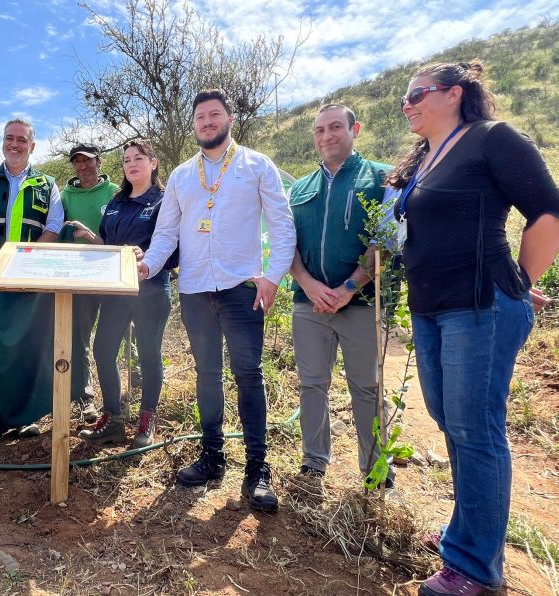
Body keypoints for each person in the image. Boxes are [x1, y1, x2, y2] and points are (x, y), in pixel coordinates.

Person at [387, 61, 559, 596]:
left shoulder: (492, 139)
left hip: (479, 307)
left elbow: (550, 214)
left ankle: (474, 569)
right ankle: (467, 537)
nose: (408, 104)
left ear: (455, 93)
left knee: (476, 431)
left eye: (418, 93)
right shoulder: (425, 159)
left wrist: (519, 280)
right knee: (452, 423)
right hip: (431, 308)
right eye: (406, 97)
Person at [139, 89, 296, 512]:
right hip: (194, 289)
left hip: (242, 287)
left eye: (214, 115)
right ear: (193, 124)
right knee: (207, 374)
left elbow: (283, 227)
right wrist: (146, 267)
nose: (207, 122)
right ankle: (212, 456)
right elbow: (166, 235)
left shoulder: (257, 165)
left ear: (229, 118)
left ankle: (258, 469)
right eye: (200, 117)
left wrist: (273, 277)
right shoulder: (181, 175)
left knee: (248, 374)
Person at [288, 104, 395, 487]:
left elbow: (386, 242)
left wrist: (349, 287)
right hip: (308, 304)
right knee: (312, 383)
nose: (326, 136)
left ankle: (376, 470)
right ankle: (314, 462)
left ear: (355, 129)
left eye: (335, 127)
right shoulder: (299, 188)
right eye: (319, 130)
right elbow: (287, 247)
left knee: (366, 386)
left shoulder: (383, 178)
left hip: (362, 303)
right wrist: (308, 284)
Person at [69, 140, 175, 448]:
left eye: (139, 158)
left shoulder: (164, 201)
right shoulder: (116, 201)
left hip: (151, 291)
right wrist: (94, 239)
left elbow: (173, 244)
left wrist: (149, 258)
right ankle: (113, 419)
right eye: (127, 159)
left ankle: (146, 419)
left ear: (153, 163)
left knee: (148, 353)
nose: (132, 164)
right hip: (115, 291)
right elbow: (110, 244)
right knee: (103, 350)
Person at [0, 119, 64, 440]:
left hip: (29, 283)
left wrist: (25, 261)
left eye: (22, 139)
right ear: (2, 142)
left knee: (26, 351)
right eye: (10, 138)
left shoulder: (46, 183)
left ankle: (24, 420)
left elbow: (53, 225)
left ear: (32, 146)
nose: (15, 144)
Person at [58, 144, 120, 423]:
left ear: (99, 162)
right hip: (79, 277)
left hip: (112, 276)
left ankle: (119, 398)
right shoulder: (65, 196)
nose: (83, 166)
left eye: (88, 161)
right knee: (79, 338)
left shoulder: (116, 192)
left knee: (114, 338)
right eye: (78, 162)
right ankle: (86, 399)